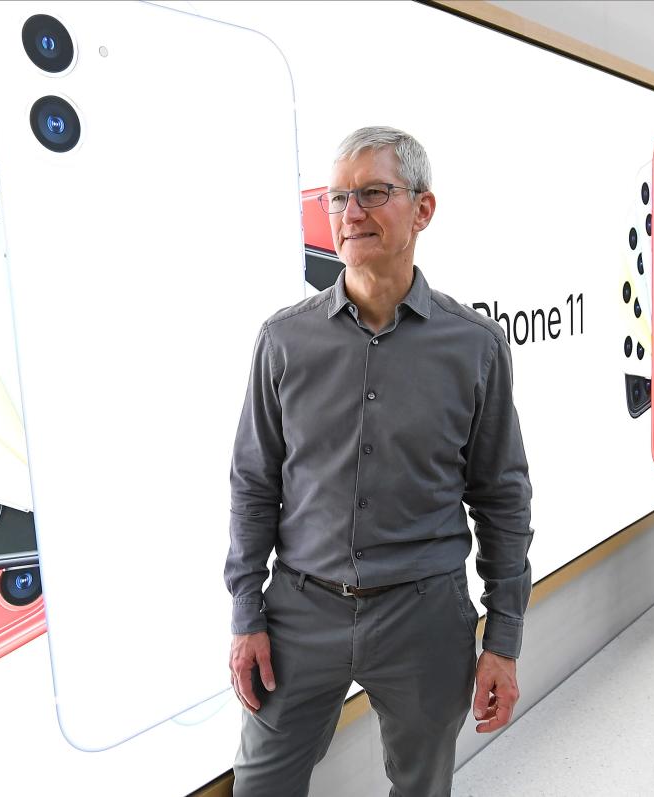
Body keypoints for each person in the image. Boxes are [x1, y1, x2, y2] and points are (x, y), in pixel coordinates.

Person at [224, 126, 534, 796]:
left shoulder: (474, 346)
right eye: (337, 198)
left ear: (422, 209)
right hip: (298, 613)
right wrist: (246, 611)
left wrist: (502, 638)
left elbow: (502, 498)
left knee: (422, 786)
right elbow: (253, 485)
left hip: (425, 614)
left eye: (372, 193)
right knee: (260, 785)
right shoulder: (283, 340)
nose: (350, 213)